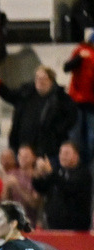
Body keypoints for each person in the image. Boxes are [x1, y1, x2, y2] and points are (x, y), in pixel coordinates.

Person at [0, 66, 77, 159]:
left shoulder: (61, 98)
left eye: (44, 79)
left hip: (48, 149)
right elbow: (10, 95)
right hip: (22, 146)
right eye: (38, 78)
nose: (40, 81)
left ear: (51, 81)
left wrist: (57, 131)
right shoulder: (26, 93)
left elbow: (71, 117)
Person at [33, 140, 92, 231]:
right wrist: (37, 175)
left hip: (76, 228)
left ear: (76, 155)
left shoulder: (83, 174)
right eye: (61, 153)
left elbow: (69, 188)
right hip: (53, 227)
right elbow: (42, 188)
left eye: (67, 153)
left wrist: (51, 172)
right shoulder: (58, 172)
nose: (62, 156)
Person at [64, 30, 94, 163]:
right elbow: (67, 67)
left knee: (90, 138)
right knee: (75, 137)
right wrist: (79, 57)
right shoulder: (81, 51)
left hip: (91, 103)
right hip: (77, 101)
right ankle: (75, 165)